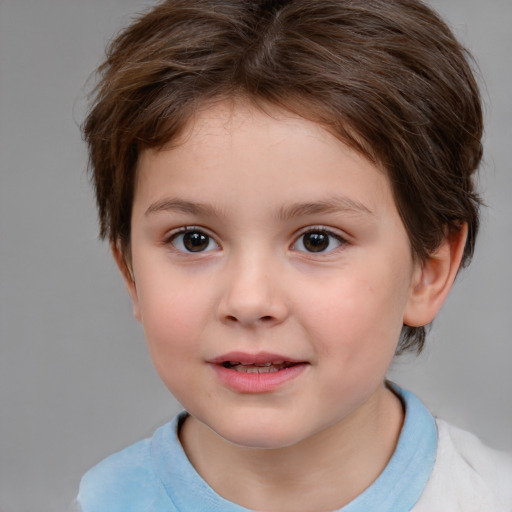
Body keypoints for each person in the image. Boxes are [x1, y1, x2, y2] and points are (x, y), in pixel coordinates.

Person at [77, 0, 512, 510]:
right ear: (131, 273)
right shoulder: (101, 501)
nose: (248, 299)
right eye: (194, 239)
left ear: (428, 273)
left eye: (317, 240)